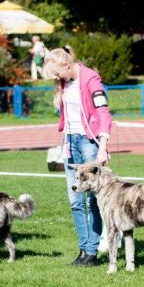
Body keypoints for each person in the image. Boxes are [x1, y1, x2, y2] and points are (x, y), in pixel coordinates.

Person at [42, 47, 112, 266]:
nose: (56, 78)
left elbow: (103, 113)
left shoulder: (91, 79)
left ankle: (92, 252)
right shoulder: (64, 81)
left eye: (57, 73)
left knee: (93, 201)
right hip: (70, 142)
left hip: (90, 144)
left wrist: (102, 146)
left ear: (67, 65)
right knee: (75, 201)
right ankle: (82, 250)